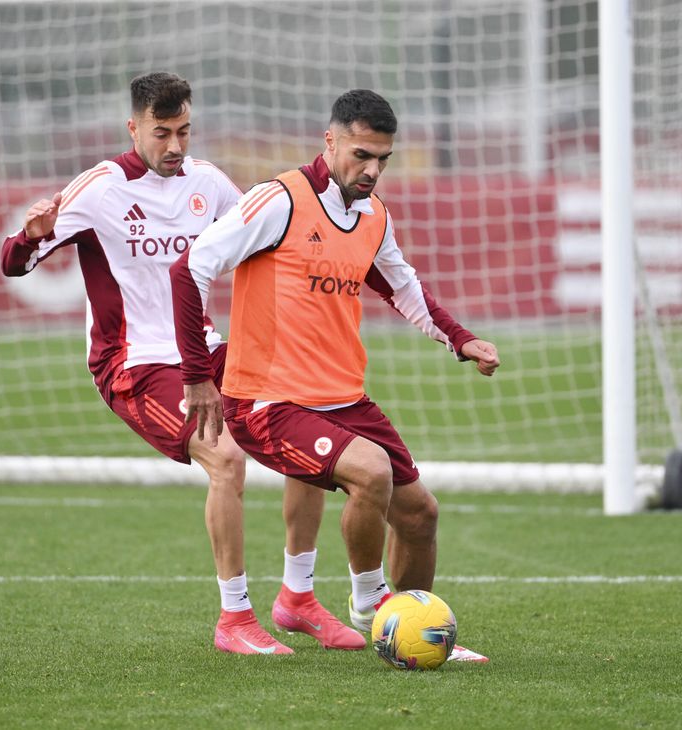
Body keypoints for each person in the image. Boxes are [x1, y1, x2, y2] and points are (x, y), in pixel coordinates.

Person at [0, 72, 363, 655]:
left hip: (206, 348)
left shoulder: (210, 184)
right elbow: (14, 264)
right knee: (226, 459)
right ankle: (235, 620)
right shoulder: (99, 189)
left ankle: (297, 600)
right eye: (162, 133)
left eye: (184, 131)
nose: (175, 146)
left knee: (303, 420)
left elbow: (263, 240)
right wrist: (28, 235)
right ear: (134, 127)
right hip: (134, 363)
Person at [170, 89, 501, 663]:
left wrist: (461, 338)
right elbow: (190, 268)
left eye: (383, 160)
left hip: (341, 397)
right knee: (371, 472)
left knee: (421, 515)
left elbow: (403, 287)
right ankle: (376, 614)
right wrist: (199, 375)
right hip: (266, 402)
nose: (372, 170)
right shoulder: (279, 200)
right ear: (331, 140)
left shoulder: (373, 217)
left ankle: (416, 625)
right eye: (361, 154)